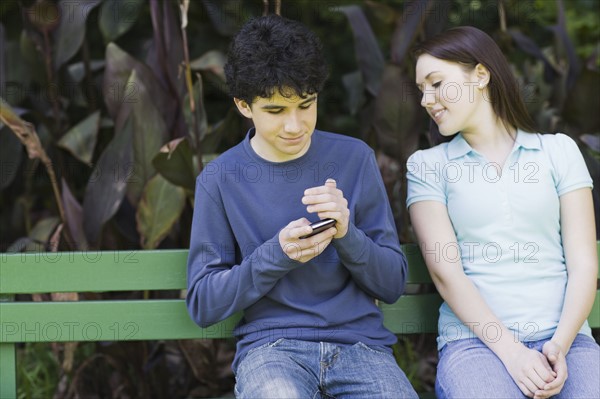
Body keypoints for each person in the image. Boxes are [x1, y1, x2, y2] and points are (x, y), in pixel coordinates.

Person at [186, 14, 418, 399]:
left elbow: (392, 284)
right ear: (244, 105)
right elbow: (203, 304)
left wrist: (347, 234)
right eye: (276, 111)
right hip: (272, 350)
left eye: (306, 105)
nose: (295, 125)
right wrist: (276, 255)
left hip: (361, 346)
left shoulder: (354, 159)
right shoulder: (220, 179)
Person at [407, 26, 599, 399]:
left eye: (436, 83)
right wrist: (512, 354)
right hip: (474, 344)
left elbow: (584, 265)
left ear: (480, 75)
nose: (426, 100)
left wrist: (558, 346)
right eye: (421, 91)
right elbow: (446, 273)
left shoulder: (558, 152)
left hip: (568, 339)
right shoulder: (428, 166)